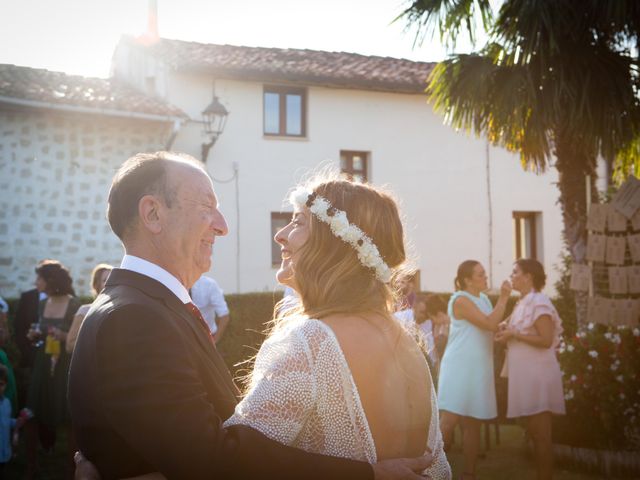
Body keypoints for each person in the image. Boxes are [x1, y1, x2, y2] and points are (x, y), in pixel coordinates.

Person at [68, 151, 431, 480]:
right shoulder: (133, 319)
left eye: (299, 222)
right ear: (153, 214)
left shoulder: (149, 311)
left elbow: (211, 452)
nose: (223, 225)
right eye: (207, 207)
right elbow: (210, 459)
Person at [223, 175, 450, 478]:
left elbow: (237, 459)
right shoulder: (406, 342)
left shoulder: (310, 341)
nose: (281, 234)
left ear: (333, 244)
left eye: (299, 222)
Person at [437, 260, 511, 480]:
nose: (485, 277)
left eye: (484, 274)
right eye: (480, 275)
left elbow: (492, 324)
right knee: (449, 420)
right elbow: (488, 323)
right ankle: (426, 469)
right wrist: (505, 297)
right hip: (459, 367)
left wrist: (504, 327)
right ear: (467, 280)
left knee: (473, 422)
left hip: (479, 367)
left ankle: (468, 474)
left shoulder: (485, 299)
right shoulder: (460, 300)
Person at [495, 259, 565, 480]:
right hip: (525, 375)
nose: (512, 276)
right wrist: (505, 333)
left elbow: (545, 339)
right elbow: (515, 332)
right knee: (534, 433)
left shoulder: (540, 301)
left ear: (529, 277)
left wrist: (513, 334)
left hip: (538, 375)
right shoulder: (522, 303)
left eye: (515, 272)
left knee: (542, 435)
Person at [24, 259, 80, 479]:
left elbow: (77, 339)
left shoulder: (74, 304)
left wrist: (62, 335)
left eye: (39, 278)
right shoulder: (41, 303)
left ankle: (72, 468)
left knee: (69, 417)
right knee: (32, 413)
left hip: (64, 366)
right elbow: (40, 329)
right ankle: (31, 466)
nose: (36, 282)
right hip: (42, 362)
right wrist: (35, 335)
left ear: (51, 281)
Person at [12, 263, 47, 409]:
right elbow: (18, 327)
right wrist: (26, 351)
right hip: (29, 353)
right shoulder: (27, 297)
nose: (35, 282)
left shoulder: (66, 299)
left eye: (39, 278)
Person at [66, 264, 114, 354]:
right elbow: (69, 345)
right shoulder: (85, 311)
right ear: (97, 285)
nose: (111, 283)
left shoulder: (120, 310)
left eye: (113, 279)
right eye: (105, 280)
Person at [189, 275, 230, 344]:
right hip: (182, 339)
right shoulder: (174, 283)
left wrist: (213, 342)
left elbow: (224, 316)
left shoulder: (209, 284)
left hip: (206, 337)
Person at [0, 364, 23, 478]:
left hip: (4, 448)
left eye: (1, 384)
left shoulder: (7, 403)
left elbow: (6, 421)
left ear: (5, 385)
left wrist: (16, 422)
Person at [423, 294, 450, 363]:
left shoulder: (452, 326)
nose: (432, 322)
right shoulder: (442, 326)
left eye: (432, 318)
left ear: (439, 314)